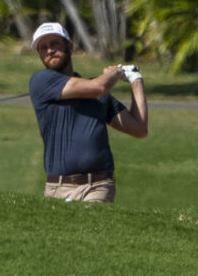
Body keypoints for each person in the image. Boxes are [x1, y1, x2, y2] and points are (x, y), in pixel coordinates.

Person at [29, 22, 149, 203]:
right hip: (57, 187)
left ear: (69, 46)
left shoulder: (101, 96)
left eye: (55, 44)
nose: (50, 50)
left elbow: (139, 129)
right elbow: (99, 86)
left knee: (88, 230)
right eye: (43, 48)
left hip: (97, 186)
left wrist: (136, 80)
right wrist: (115, 72)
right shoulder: (41, 81)